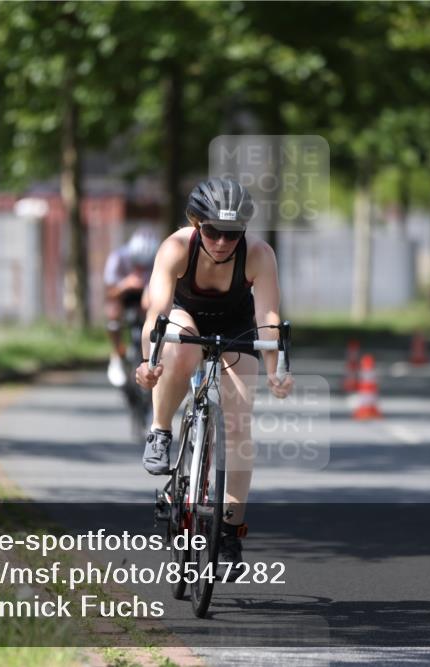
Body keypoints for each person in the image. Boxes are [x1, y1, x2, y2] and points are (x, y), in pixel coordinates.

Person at [134, 177, 294, 569]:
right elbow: (156, 312)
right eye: (212, 231)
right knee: (181, 348)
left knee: (239, 422)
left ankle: (229, 533)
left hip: (236, 323)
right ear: (195, 223)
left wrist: (276, 371)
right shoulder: (175, 247)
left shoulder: (258, 254)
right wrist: (149, 362)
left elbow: (268, 318)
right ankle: (160, 430)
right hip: (187, 316)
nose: (222, 242)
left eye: (231, 234)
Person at [104, 228, 159, 387]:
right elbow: (109, 293)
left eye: (145, 265)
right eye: (138, 264)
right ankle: (117, 354)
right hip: (123, 295)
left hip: (147, 295)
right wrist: (125, 284)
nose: (141, 268)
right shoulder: (118, 258)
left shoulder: (158, 260)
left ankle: (151, 353)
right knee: (113, 310)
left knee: (155, 310)